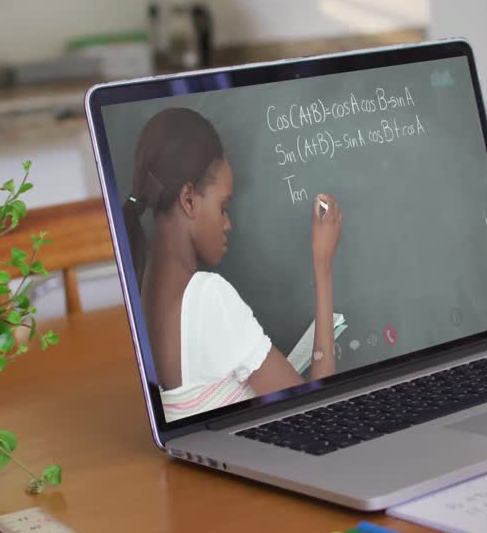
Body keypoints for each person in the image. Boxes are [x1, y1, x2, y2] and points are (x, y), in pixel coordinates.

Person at [122, 108, 342, 422]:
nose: (229, 224)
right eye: (223, 207)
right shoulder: (208, 298)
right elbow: (318, 412)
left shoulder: (143, 291)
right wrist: (323, 264)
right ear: (188, 200)